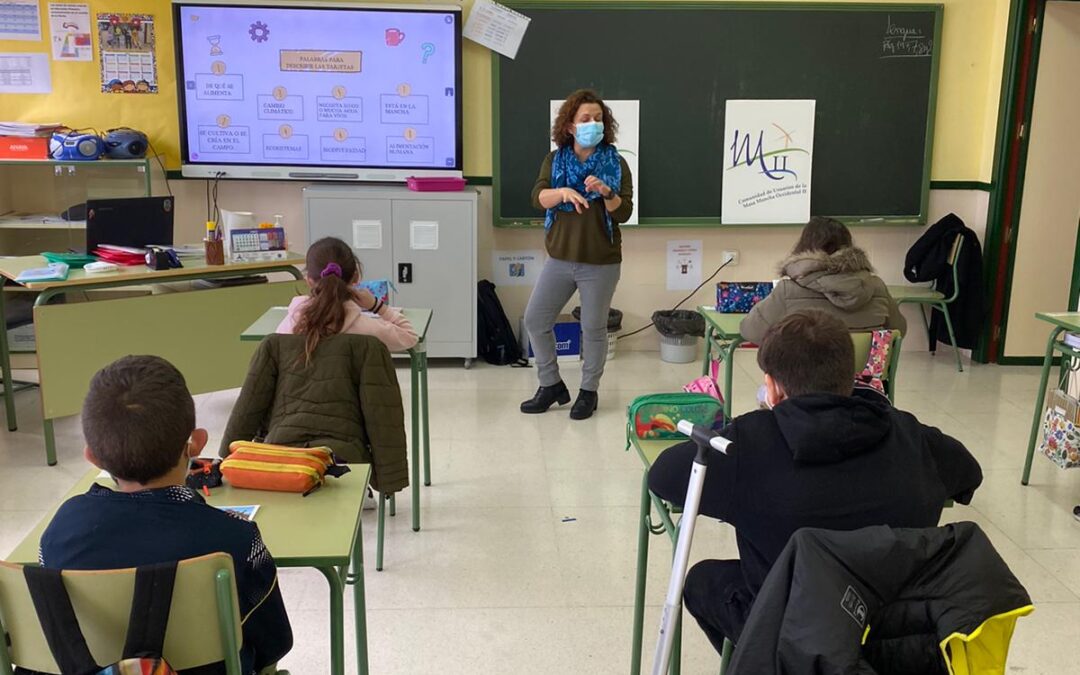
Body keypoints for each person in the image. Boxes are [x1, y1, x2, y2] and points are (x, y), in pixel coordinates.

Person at [647, 310, 982, 654]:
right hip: (892, 633)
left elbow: (662, 477)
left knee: (703, 581)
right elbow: (969, 475)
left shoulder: (747, 445)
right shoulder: (910, 434)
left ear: (773, 388)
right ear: (850, 377)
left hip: (791, 631)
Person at [39, 356, 292, 675]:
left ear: (92, 456)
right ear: (196, 444)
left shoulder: (61, 529)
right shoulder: (236, 539)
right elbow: (274, 643)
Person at [521, 88, 634, 420]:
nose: (593, 124)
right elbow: (537, 197)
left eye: (598, 119)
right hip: (559, 258)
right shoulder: (555, 160)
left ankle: (588, 392)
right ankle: (551, 384)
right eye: (585, 119)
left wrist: (606, 191)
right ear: (570, 126)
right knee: (536, 319)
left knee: (593, 328)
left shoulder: (616, 163)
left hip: (601, 261)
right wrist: (561, 192)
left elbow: (623, 212)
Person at [739, 216, 906, 345]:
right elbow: (899, 331)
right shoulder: (876, 287)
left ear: (804, 248)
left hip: (803, 385)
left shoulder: (788, 291)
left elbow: (751, 331)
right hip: (865, 386)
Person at [276, 236, 418, 353]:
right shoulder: (366, 328)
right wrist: (377, 306)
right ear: (355, 277)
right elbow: (410, 337)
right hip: (348, 389)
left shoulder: (291, 324)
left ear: (309, 281)